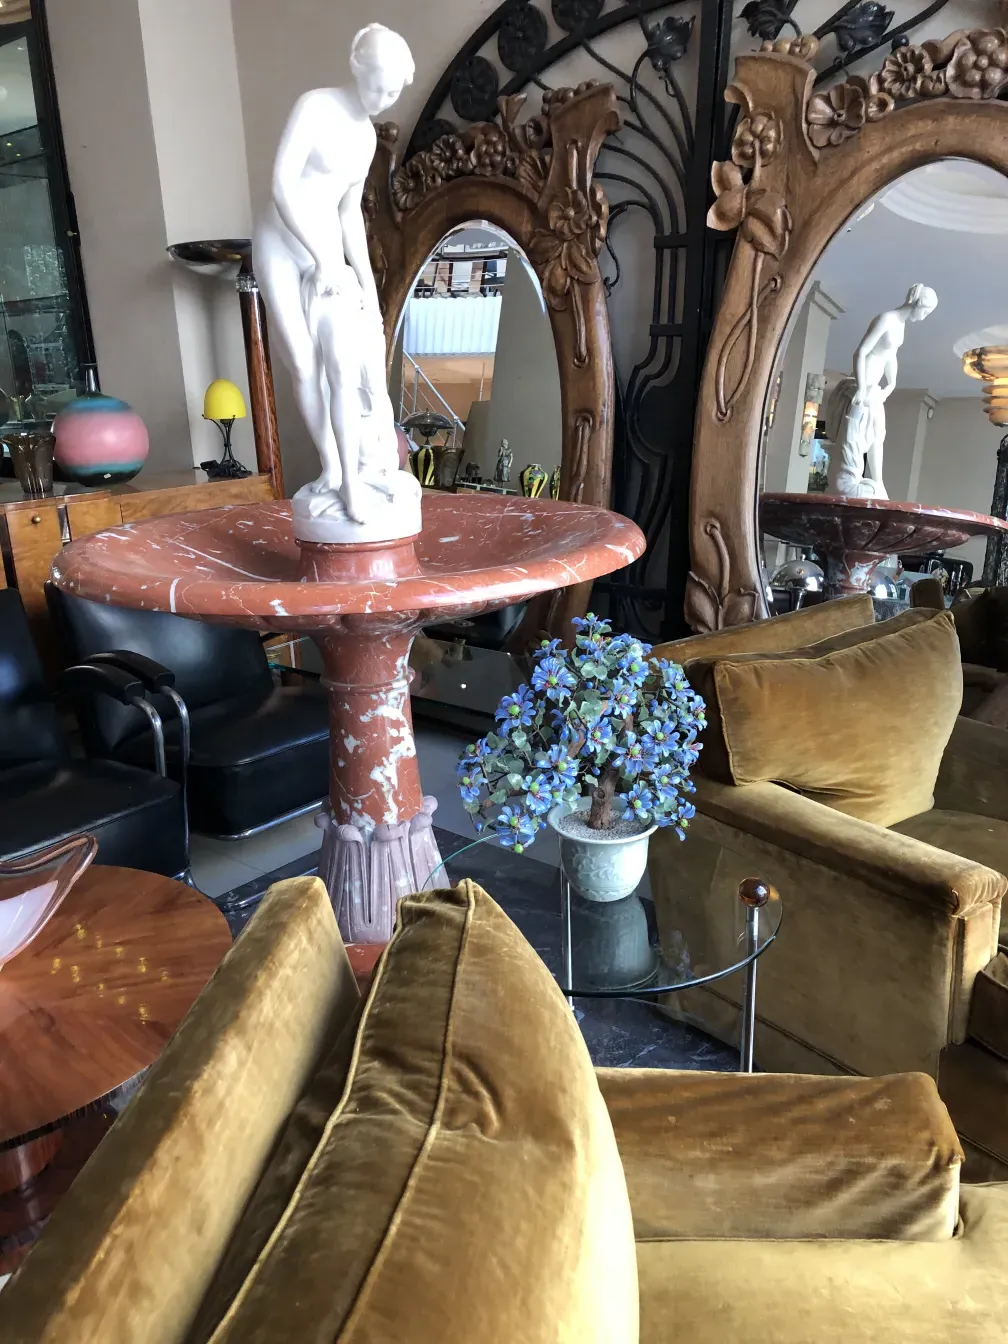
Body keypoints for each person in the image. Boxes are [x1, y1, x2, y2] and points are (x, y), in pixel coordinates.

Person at [253, 25, 417, 527]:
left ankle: (352, 475)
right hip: (282, 243)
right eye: (379, 87)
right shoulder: (315, 107)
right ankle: (330, 465)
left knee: (341, 363)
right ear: (356, 66)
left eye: (393, 93)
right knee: (304, 364)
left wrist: (368, 287)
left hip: (324, 245)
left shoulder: (367, 137)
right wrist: (322, 259)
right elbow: (281, 185)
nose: (384, 99)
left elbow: (350, 214)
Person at [826, 283, 938, 499]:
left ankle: (878, 482)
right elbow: (861, 352)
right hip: (862, 384)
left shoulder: (901, 324)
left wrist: (892, 382)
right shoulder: (886, 319)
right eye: (925, 312)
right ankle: (849, 482)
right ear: (917, 304)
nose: (924, 317)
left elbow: (890, 354)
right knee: (855, 436)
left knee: (879, 433)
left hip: (874, 387)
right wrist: (859, 385)